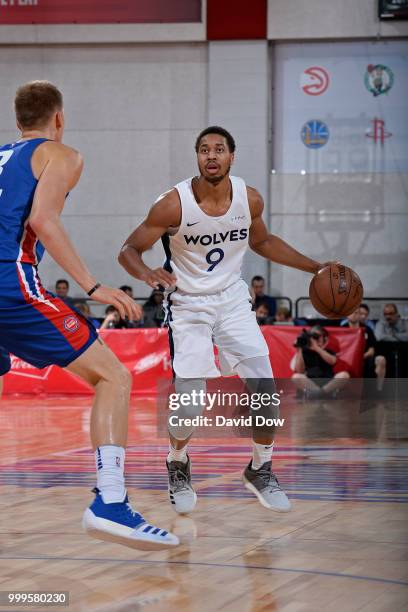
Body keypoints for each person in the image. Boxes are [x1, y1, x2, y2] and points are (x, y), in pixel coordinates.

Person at [119, 125, 333, 514]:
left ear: (232, 156)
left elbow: (263, 242)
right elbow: (129, 249)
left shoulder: (249, 199)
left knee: (266, 389)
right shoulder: (173, 204)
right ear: (197, 157)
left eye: (219, 149)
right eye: (204, 149)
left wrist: (316, 267)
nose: (211, 155)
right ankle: (177, 461)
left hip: (232, 300)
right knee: (190, 403)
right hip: (187, 305)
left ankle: (260, 467)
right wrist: (147, 273)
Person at [0, 80, 177, 550]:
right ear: (59, 119)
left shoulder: (1, 155)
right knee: (114, 378)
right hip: (9, 283)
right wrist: (92, 286)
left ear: (17, 122)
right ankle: (111, 503)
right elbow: (42, 220)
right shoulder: (61, 154)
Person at [291, 325, 350, 398]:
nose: (315, 339)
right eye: (313, 336)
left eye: (317, 336)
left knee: (344, 375)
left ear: (324, 338)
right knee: (296, 377)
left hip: (328, 383)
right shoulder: (305, 352)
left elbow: (333, 361)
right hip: (311, 382)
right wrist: (299, 350)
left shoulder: (328, 351)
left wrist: (316, 348)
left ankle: (320, 393)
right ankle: (320, 393)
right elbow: (299, 371)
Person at [344, 308, 386, 388]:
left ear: (359, 315)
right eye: (351, 313)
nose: (354, 315)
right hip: (348, 360)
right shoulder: (342, 329)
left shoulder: (367, 330)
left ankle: (378, 391)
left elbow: (371, 351)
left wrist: (360, 358)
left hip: (365, 359)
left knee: (381, 359)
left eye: (356, 313)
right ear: (347, 315)